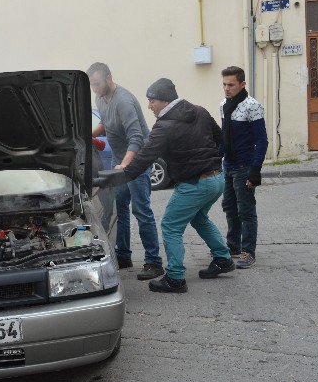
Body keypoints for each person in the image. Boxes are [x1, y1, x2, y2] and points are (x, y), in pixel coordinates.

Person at [97, 78, 235, 293]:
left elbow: (145, 157)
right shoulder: (200, 111)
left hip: (195, 183)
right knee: (199, 218)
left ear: (164, 100)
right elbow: (220, 138)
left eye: (152, 101)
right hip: (217, 178)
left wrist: (122, 174)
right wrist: (212, 161)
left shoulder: (164, 126)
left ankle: (175, 277)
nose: (149, 106)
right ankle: (223, 258)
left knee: (171, 225)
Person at [87, 62, 164, 280]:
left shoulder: (124, 101)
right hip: (121, 160)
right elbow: (107, 123)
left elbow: (136, 137)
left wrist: (126, 164)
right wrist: (90, 134)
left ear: (109, 78)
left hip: (137, 161)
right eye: (92, 85)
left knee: (141, 210)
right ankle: (123, 255)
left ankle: (154, 262)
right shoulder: (100, 98)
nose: (94, 88)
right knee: (119, 207)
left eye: (96, 83)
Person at [220, 66, 268, 269]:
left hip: (244, 166)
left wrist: (255, 170)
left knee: (246, 210)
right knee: (229, 207)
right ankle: (233, 246)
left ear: (242, 84)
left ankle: (248, 252)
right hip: (228, 165)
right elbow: (224, 137)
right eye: (224, 84)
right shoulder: (223, 104)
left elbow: (262, 140)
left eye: (231, 84)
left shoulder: (252, 106)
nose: (227, 88)